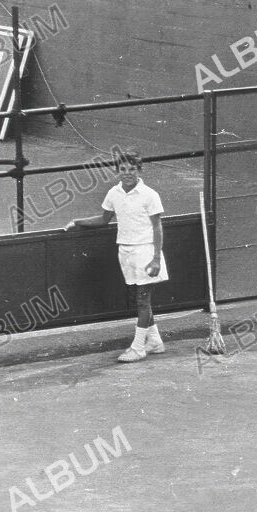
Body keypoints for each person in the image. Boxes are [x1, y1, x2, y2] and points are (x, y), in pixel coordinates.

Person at [65, 149, 167, 362]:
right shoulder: (113, 193)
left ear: (140, 170)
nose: (127, 173)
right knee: (142, 300)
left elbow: (157, 228)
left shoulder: (150, 195)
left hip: (146, 252)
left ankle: (138, 348)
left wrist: (156, 257)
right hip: (126, 251)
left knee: (142, 299)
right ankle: (155, 341)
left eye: (132, 169)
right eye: (123, 169)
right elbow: (103, 219)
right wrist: (77, 222)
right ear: (117, 171)